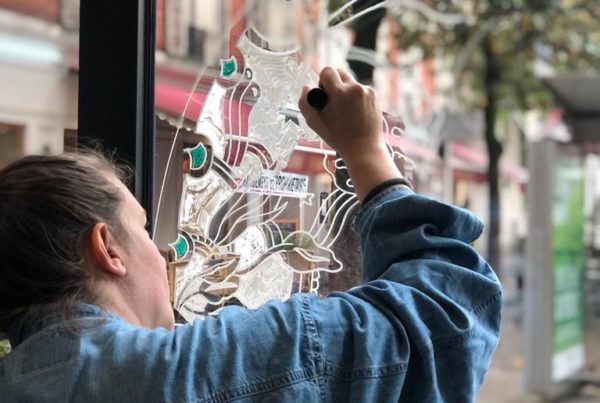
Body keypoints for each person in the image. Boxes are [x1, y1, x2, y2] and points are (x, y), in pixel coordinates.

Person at [0, 67, 501, 402]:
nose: (161, 254)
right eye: (144, 229)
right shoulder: (185, 370)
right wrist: (367, 151)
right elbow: (448, 318)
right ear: (108, 248)